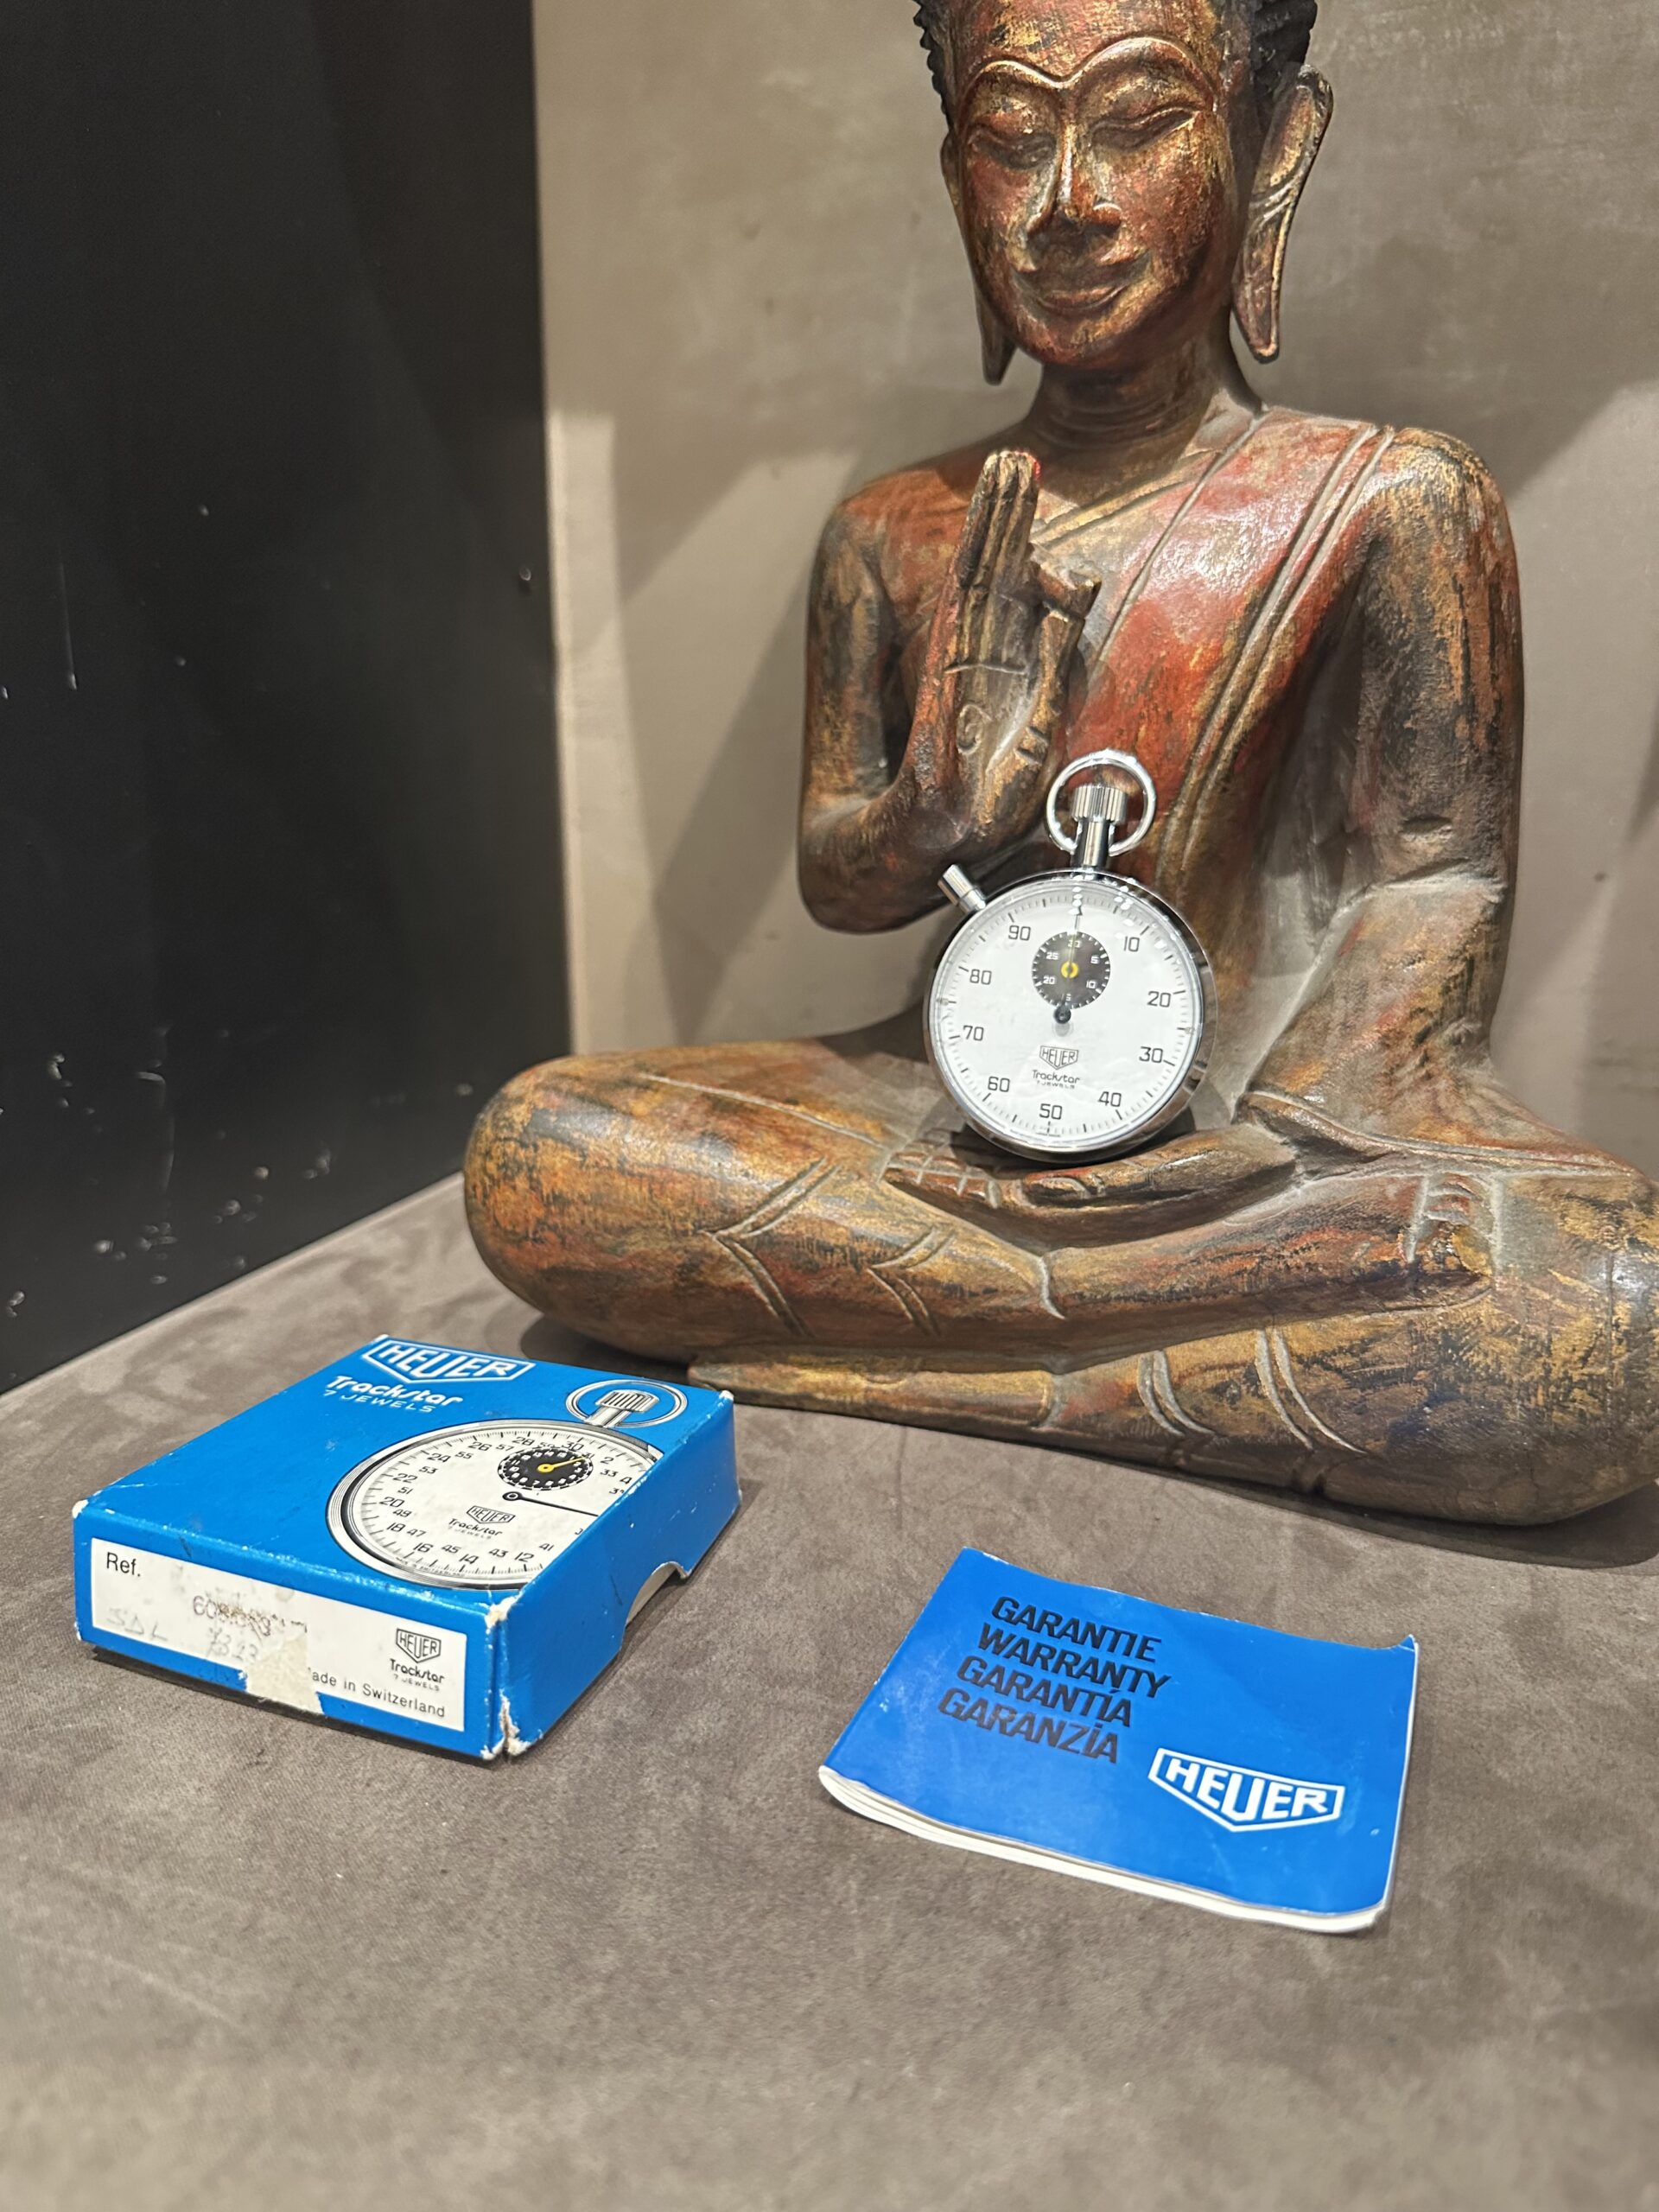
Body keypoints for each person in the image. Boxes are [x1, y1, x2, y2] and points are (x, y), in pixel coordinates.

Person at [467, 0, 1659, 1525]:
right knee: (542, 1152)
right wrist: (929, 815)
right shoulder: (892, 530)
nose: (1069, 201)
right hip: (948, 1111)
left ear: (1272, 149)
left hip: (1257, 1143)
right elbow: (839, 876)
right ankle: (1131, 1357)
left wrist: (1270, 1142)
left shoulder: (1393, 502)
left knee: (1603, 1302)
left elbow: (1432, 887)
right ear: (955, 175)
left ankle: (960, 1341)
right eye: (1012, 138)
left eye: (1141, 120)